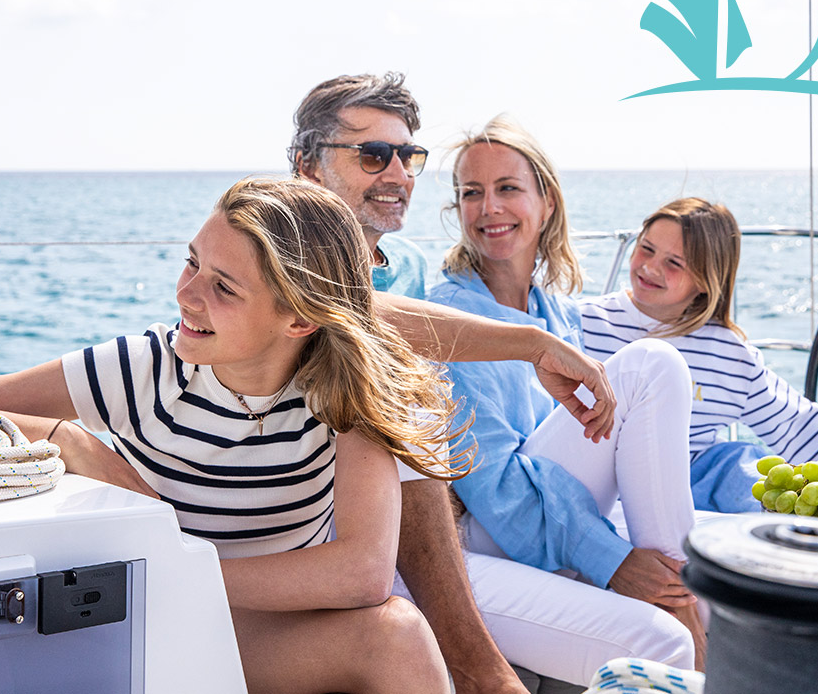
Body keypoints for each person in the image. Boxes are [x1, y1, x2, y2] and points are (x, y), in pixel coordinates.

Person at [0, 177, 465, 693]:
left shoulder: (343, 393)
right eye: (192, 262)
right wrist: (70, 440)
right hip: (142, 631)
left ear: (298, 319)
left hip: (260, 636)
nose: (186, 294)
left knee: (399, 637)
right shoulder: (144, 369)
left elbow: (362, 572)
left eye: (224, 287)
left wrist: (174, 566)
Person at [289, 74, 690, 690]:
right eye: (373, 154)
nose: (396, 173)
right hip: (388, 538)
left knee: (655, 367)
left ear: (547, 202)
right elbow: (354, 312)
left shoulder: (411, 267)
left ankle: (681, 587)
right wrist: (530, 344)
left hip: (434, 519)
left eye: (407, 156)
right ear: (307, 165)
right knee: (662, 637)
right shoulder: (284, 260)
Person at [427, 115, 705, 683]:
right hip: (486, 530)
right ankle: (683, 613)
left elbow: (585, 453)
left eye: (507, 188)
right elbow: (495, 487)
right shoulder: (452, 320)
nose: (488, 208)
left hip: (547, 521)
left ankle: (682, 601)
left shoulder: (557, 314)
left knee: (651, 369)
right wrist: (614, 560)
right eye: (471, 193)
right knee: (651, 364)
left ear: (547, 201)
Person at [580, 197, 818, 513]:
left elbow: (798, 425)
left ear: (705, 280)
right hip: (592, 485)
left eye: (674, 263)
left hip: (683, 491)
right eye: (647, 248)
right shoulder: (581, 322)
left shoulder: (729, 356)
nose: (650, 267)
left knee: (739, 463)